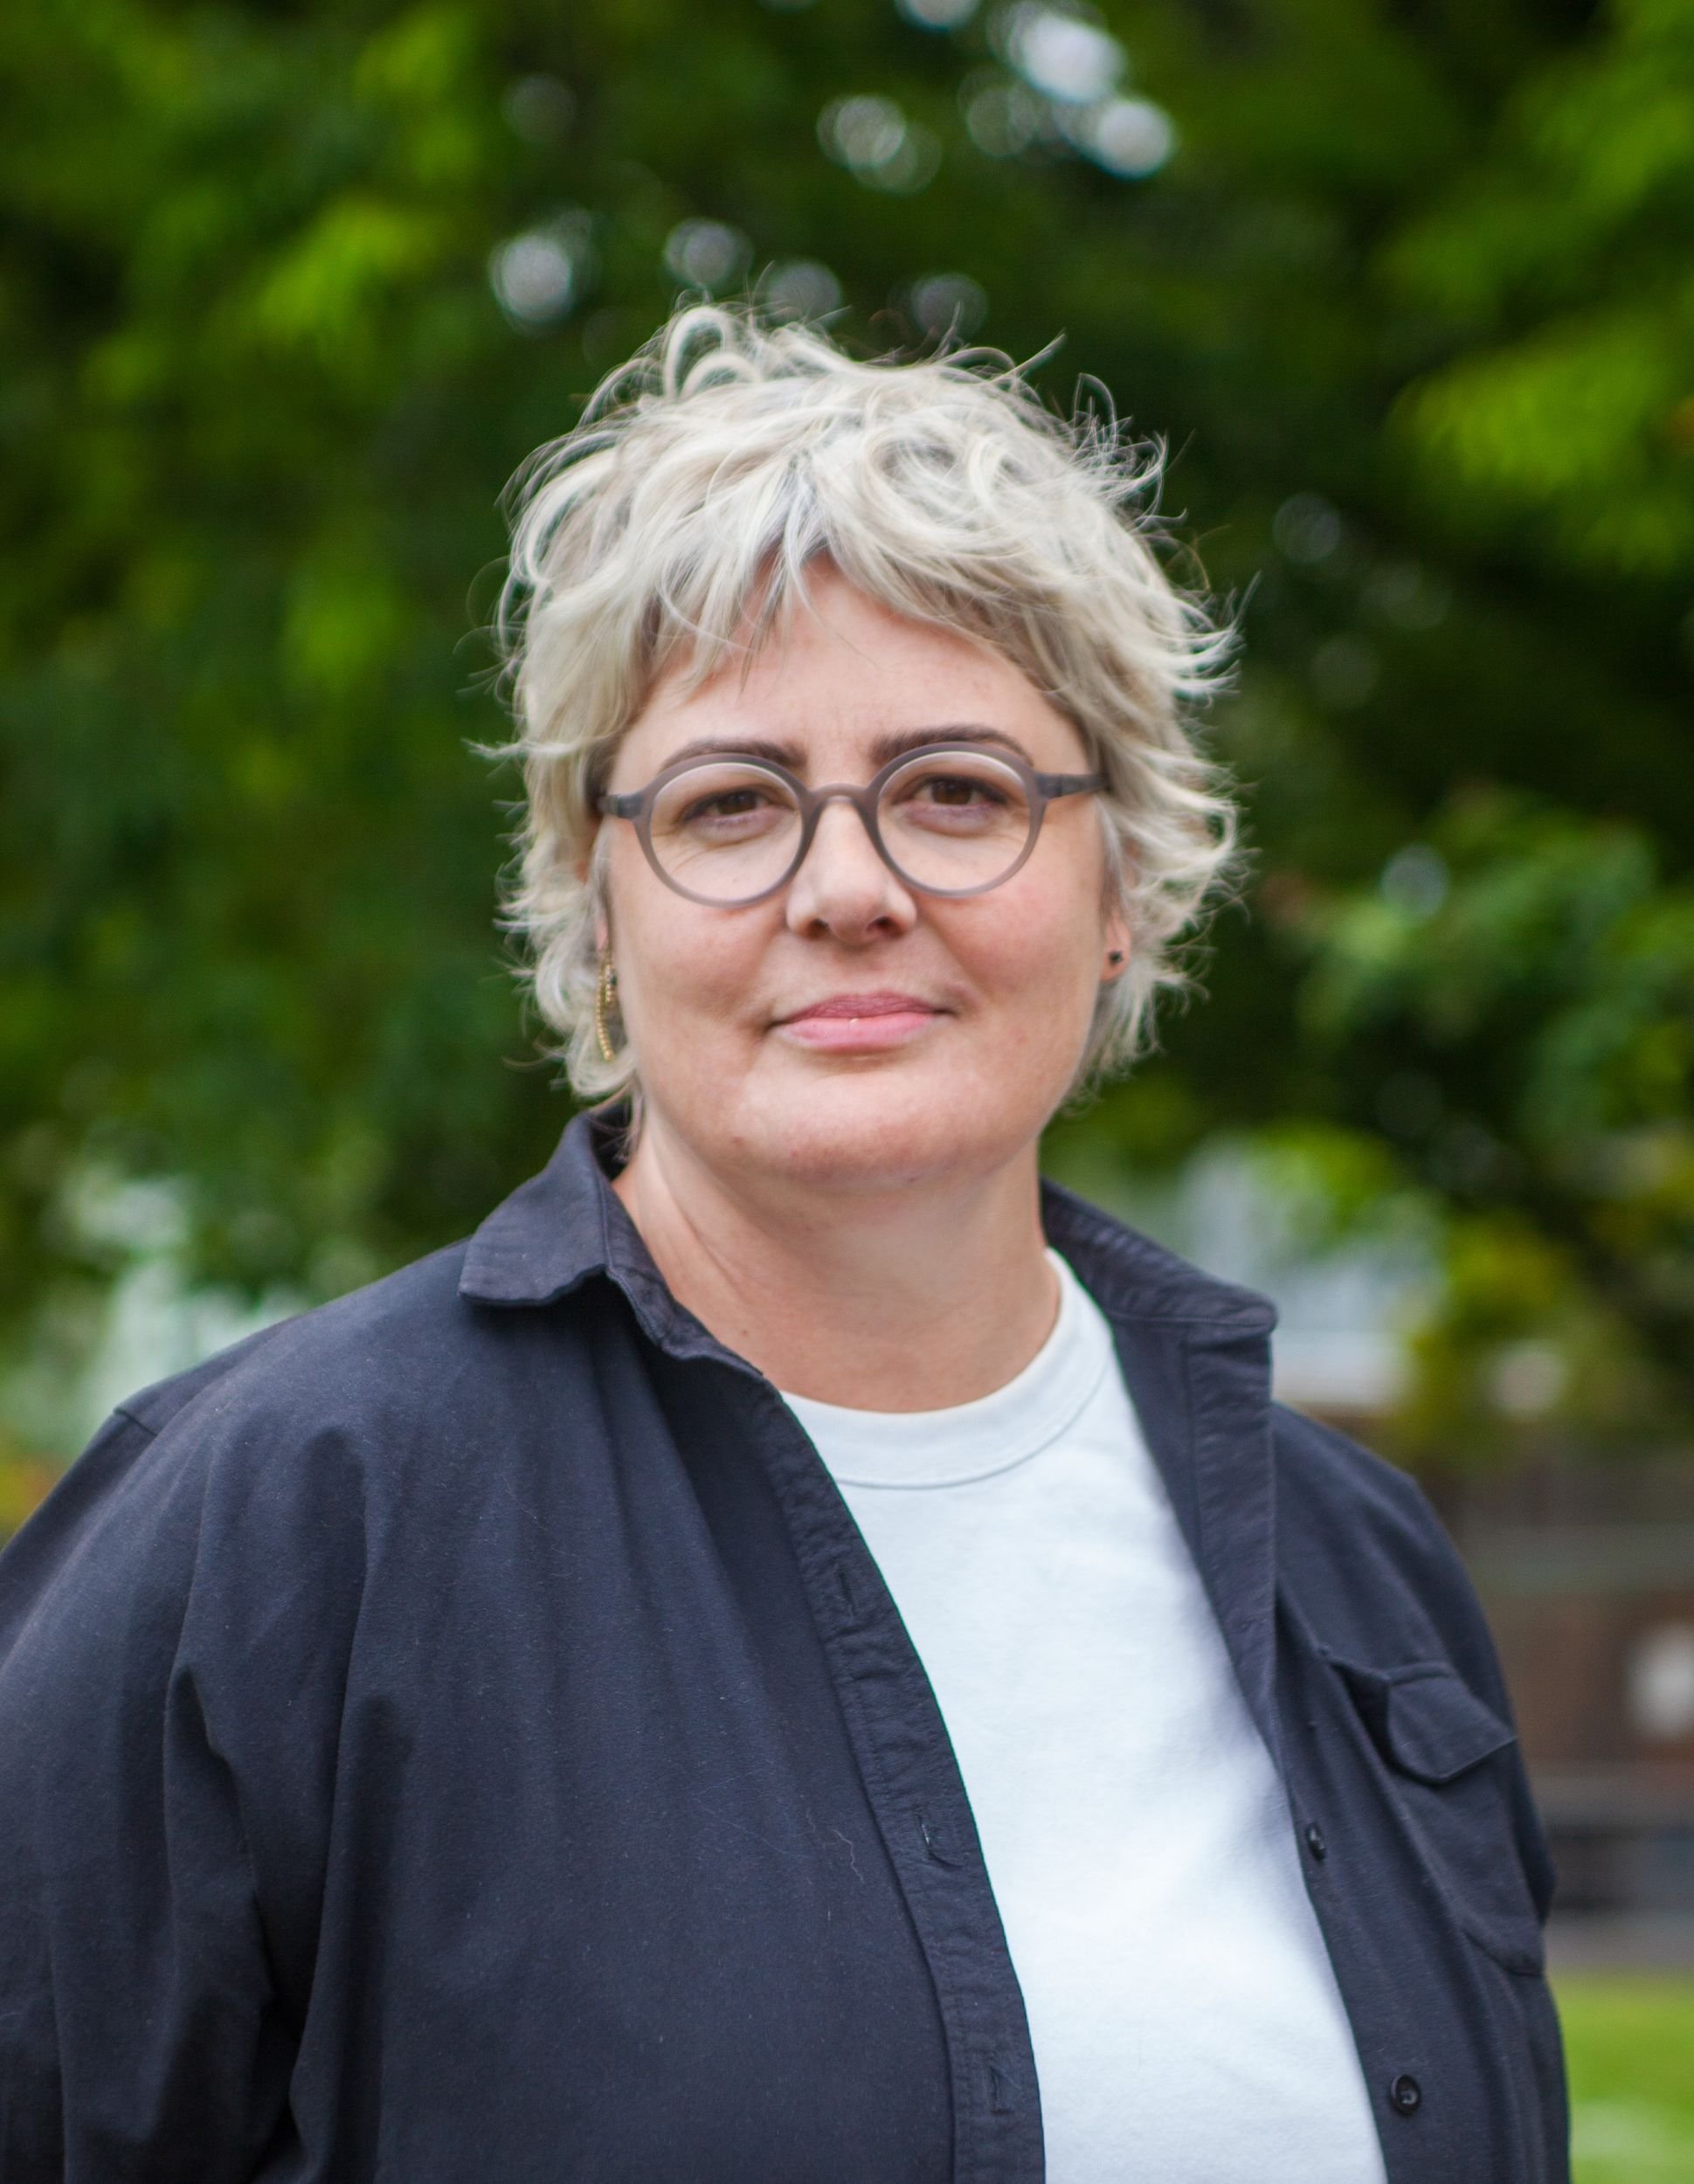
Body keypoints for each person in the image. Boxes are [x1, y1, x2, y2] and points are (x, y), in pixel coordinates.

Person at [0, 307, 1566, 2184]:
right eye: (731, 804)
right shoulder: (272, 1522)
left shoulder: (1357, 1563)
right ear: (595, 900)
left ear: (1126, 884)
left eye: (958, 791)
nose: (847, 888)